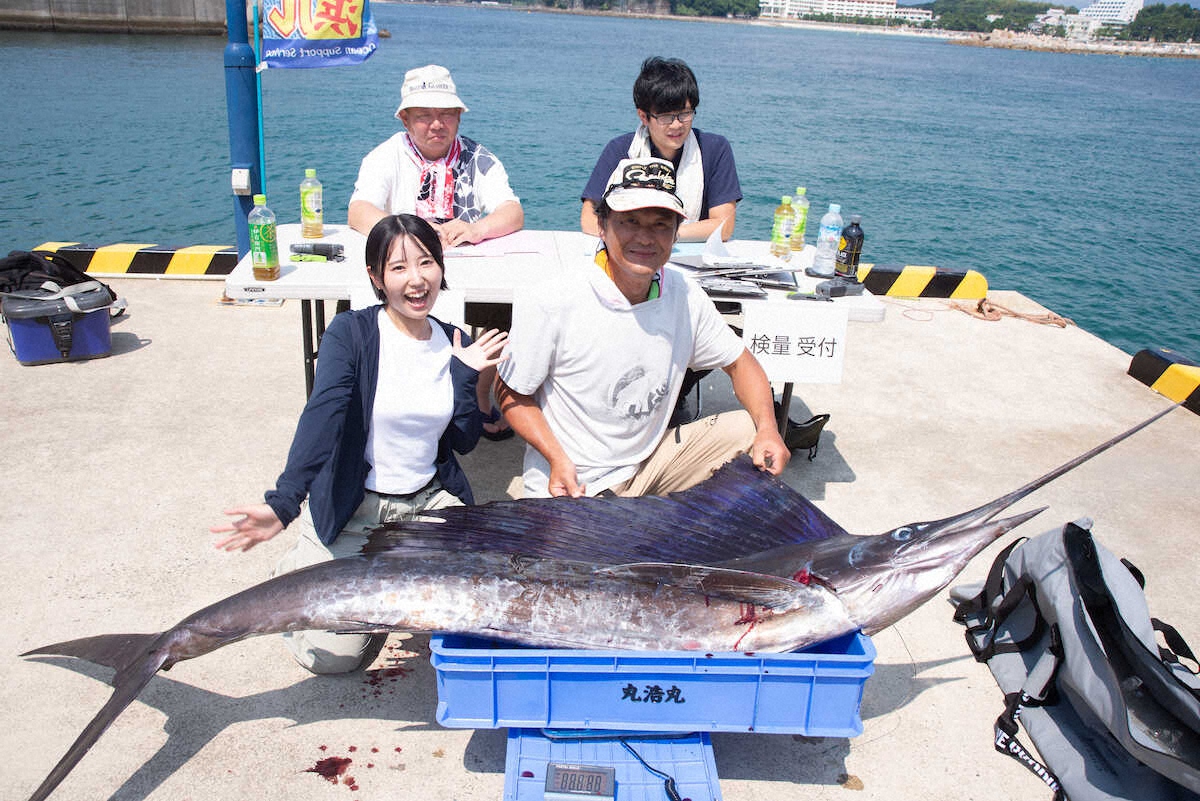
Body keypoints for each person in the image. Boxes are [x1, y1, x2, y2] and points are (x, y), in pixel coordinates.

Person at [212, 214, 508, 674]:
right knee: (334, 660)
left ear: (441, 266)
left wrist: (467, 376)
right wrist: (285, 502)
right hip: (358, 509)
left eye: (426, 262)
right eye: (398, 268)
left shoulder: (455, 340)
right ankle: (303, 560)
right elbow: (322, 416)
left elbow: (464, 442)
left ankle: (392, 579)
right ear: (375, 276)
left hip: (427, 505)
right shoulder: (350, 333)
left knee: (483, 608)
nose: (416, 280)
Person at [497, 157, 788, 499]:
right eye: (630, 221)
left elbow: (740, 361)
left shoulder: (684, 293)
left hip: (648, 463)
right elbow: (510, 393)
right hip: (573, 479)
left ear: (677, 233)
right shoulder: (552, 299)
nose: (645, 237)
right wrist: (556, 457)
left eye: (661, 224)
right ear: (602, 226)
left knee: (748, 429)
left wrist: (769, 428)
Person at [348, 64, 524, 249]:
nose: (437, 124)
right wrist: (411, 232)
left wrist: (477, 229)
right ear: (405, 120)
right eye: (424, 116)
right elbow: (359, 211)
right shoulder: (384, 157)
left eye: (446, 114)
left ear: (459, 116)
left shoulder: (479, 159)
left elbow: (512, 212)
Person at [580, 57, 740, 243]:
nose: (677, 125)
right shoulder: (621, 150)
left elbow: (724, 226)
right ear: (643, 116)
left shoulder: (714, 149)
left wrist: (661, 236)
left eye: (685, 114)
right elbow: (589, 219)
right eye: (666, 117)